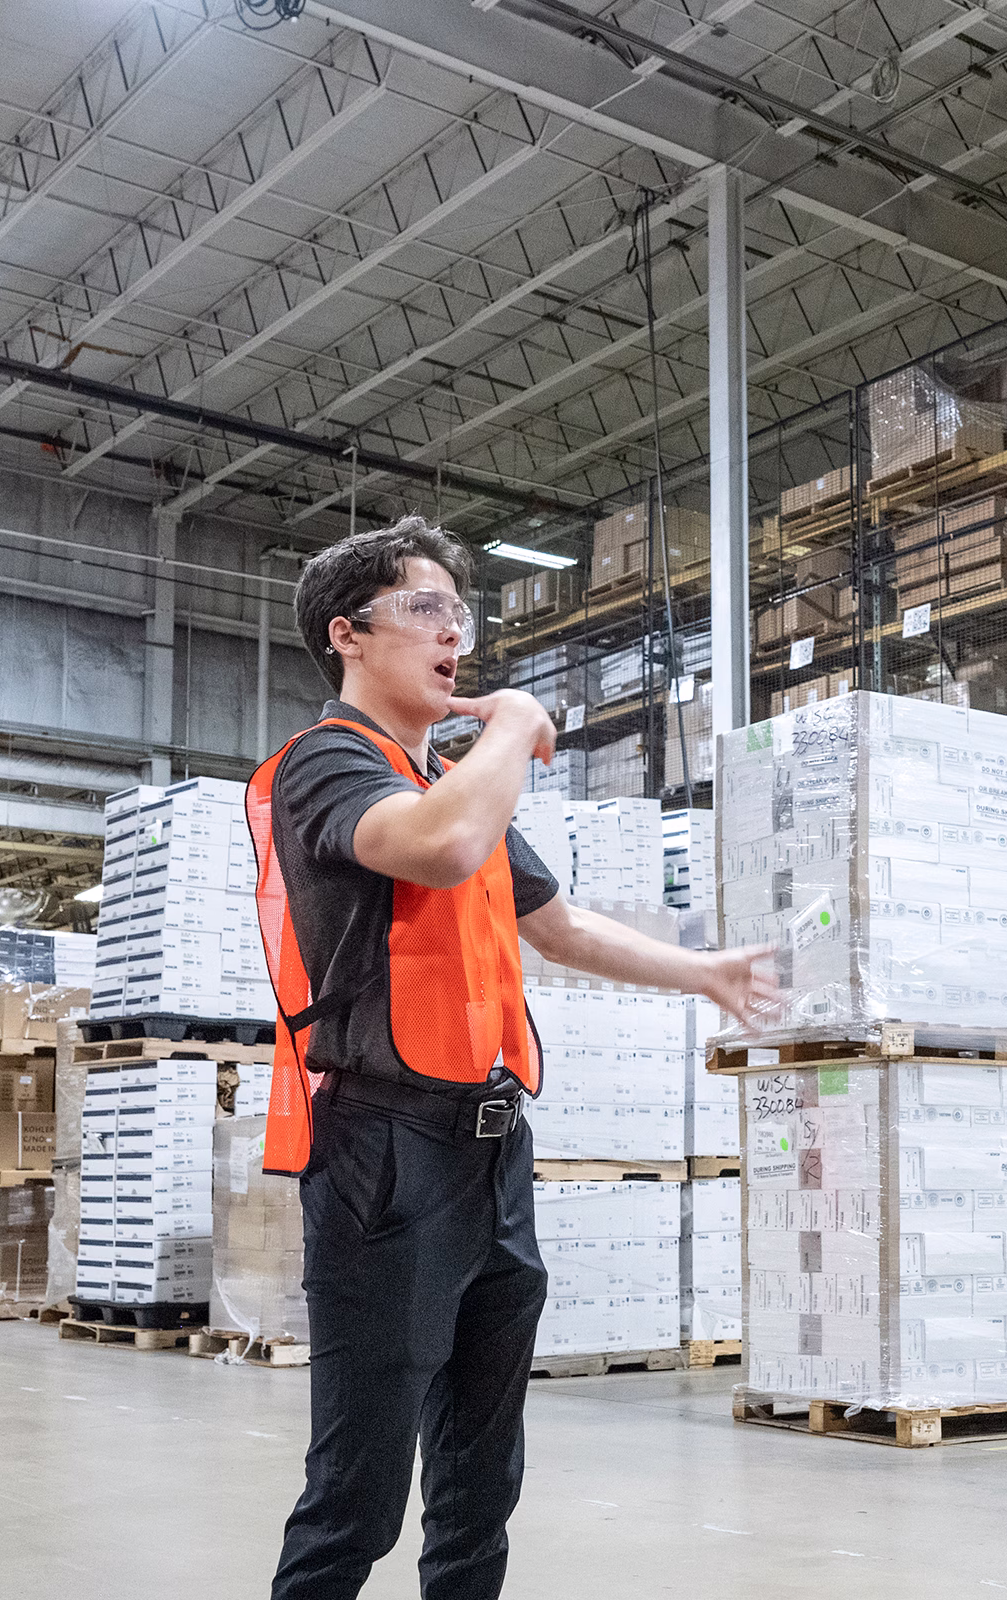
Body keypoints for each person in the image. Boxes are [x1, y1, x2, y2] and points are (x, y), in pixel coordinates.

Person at [249, 515, 775, 1600]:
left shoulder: (445, 775)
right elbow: (437, 845)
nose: (456, 636)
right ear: (348, 634)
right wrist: (518, 724)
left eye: (460, 611)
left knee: (482, 1479)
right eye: (428, 609)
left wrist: (707, 972)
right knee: (358, 1492)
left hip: (489, 1152)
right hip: (383, 1157)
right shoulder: (327, 765)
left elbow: (562, 925)